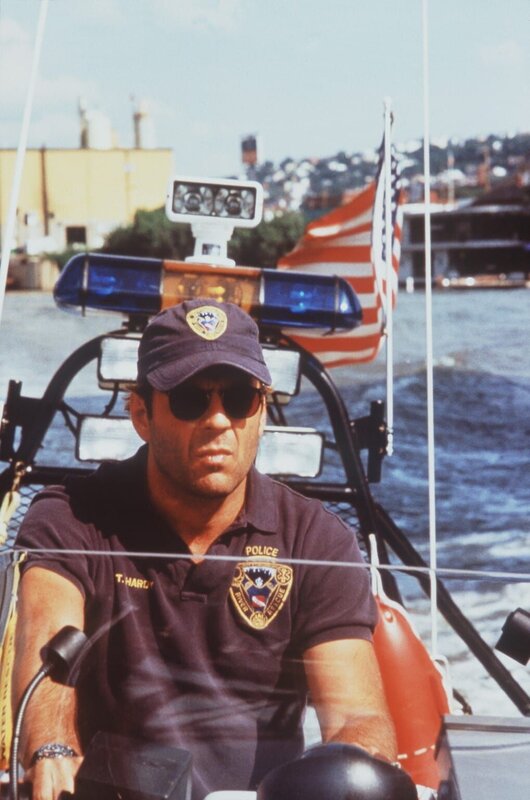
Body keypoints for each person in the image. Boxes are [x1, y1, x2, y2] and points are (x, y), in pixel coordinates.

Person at [13, 298, 397, 800]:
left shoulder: (316, 540)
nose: (218, 420)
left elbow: (356, 718)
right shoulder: (71, 519)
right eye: (189, 400)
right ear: (141, 415)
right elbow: (48, 648)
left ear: (261, 412)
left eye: (238, 398)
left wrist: (351, 772)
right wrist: (52, 748)